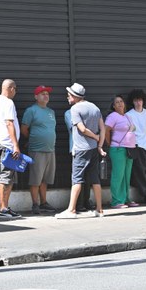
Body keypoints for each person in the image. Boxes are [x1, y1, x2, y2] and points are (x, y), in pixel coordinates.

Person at [56, 83, 106, 219]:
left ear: (74, 96)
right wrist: (99, 145)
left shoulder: (75, 109)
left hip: (81, 148)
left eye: (69, 95)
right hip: (94, 149)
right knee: (95, 179)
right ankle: (100, 209)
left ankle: (71, 210)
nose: (67, 97)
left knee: (77, 179)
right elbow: (103, 128)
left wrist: (95, 137)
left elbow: (82, 129)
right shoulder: (94, 107)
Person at [21, 85, 57, 214]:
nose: (46, 96)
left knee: (45, 179)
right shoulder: (31, 110)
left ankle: (44, 202)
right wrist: (31, 140)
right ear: (36, 97)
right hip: (37, 149)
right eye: (42, 93)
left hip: (50, 149)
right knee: (36, 178)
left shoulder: (51, 112)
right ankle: (35, 204)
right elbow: (24, 128)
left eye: (47, 93)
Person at [0, 79, 22, 219]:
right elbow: (9, 123)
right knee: (6, 176)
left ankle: (6, 207)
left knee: (9, 177)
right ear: (11, 89)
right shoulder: (8, 102)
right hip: (7, 145)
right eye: (15, 89)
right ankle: (3, 209)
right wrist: (15, 145)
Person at [104, 95, 138, 208]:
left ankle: (126, 198)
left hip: (129, 149)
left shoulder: (128, 117)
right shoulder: (112, 116)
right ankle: (116, 201)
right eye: (117, 102)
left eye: (121, 101)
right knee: (118, 175)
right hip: (118, 148)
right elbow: (106, 130)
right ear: (113, 106)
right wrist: (110, 144)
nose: (120, 103)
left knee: (126, 175)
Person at [65, 109, 92, 213]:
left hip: (89, 146)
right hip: (76, 148)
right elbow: (74, 128)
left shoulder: (87, 111)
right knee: (78, 177)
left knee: (88, 176)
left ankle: (86, 200)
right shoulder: (69, 113)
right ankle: (78, 203)